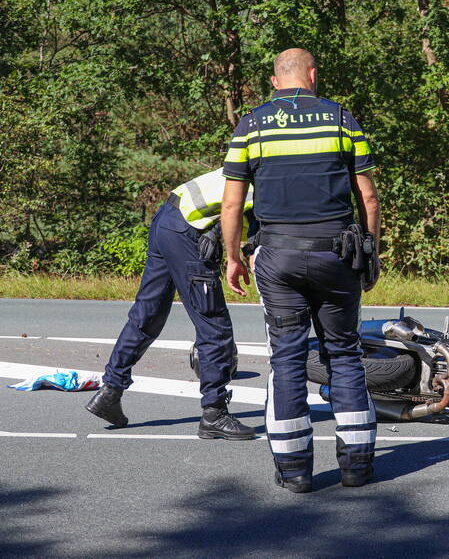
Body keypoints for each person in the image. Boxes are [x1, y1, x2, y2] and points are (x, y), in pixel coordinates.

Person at [221, 48, 381, 494]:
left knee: (287, 358)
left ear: (275, 82)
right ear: (313, 75)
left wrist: (233, 257)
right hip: (337, 255)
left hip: (278, 257)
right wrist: (370, 252)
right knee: (345, 354)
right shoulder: (341, 120)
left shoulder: (251, 125)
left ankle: (294, 472)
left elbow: (232, 202)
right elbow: (368, 198)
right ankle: (357, 466)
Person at [86, 170, 257, 441]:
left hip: (167, 217)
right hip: (186, 230)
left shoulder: (257, 161)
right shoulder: (274, 181)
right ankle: (214, 413)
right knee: (213, 323)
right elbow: (242, 218)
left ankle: (110, 391)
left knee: (148, 314)